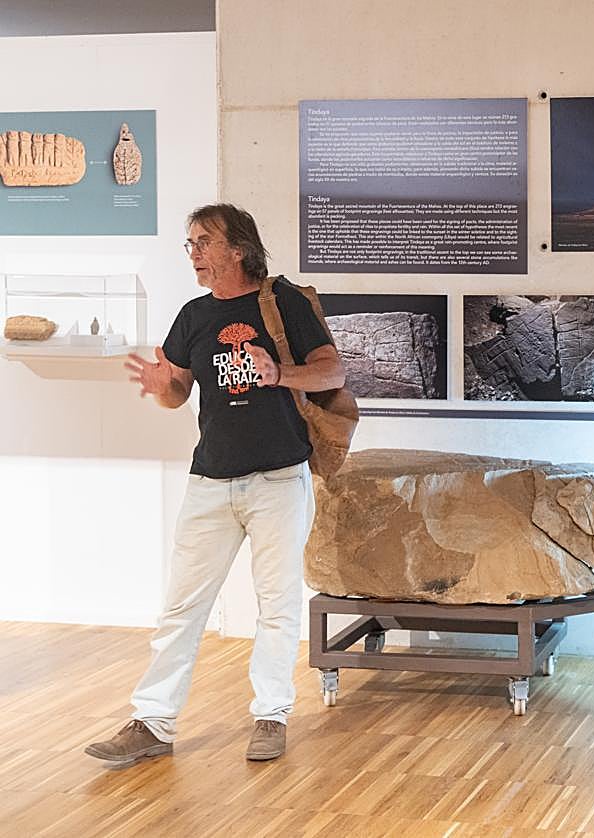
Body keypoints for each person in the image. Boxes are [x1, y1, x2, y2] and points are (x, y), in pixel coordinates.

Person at [85, 203, 345, 765]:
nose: (195, 252)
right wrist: (161, 384)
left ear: (239, 249)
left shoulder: (284, 303)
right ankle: (153, 723)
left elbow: (333, 372)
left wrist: (278, 373)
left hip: (278, 477)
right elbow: (178, 390)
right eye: (191, 243)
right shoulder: (193, 315)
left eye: (204, 241)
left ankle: (270, 717)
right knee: (181, 607)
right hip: (210, 480)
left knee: (275, 606)